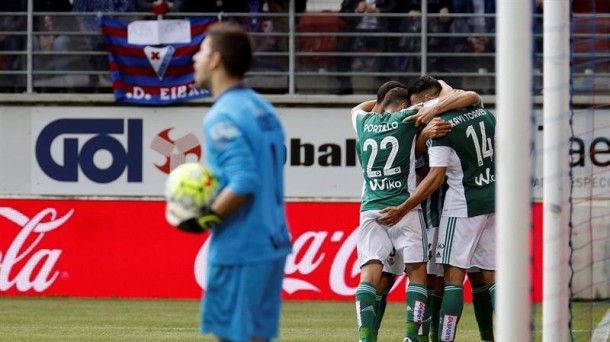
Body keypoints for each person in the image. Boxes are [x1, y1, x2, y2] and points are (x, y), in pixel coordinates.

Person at [191, 22, 292, 342]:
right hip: (273, 242)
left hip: (241, 246)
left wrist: (204, 217)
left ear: (216, 60)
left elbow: (244, 180)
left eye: (202, 51)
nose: (195, 57)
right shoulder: (263, 108)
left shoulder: (222, 115)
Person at [378, 75, 496, 342]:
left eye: (418, 106)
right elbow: (468, 94)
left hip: (456, 204)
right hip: (491, 198)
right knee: (489, 277)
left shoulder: (441, 125)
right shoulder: (484, 114)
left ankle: (442, 338)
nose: (415, 113)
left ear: (430, 102)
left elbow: (435, 177)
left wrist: (404, 207)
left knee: (452, 277)